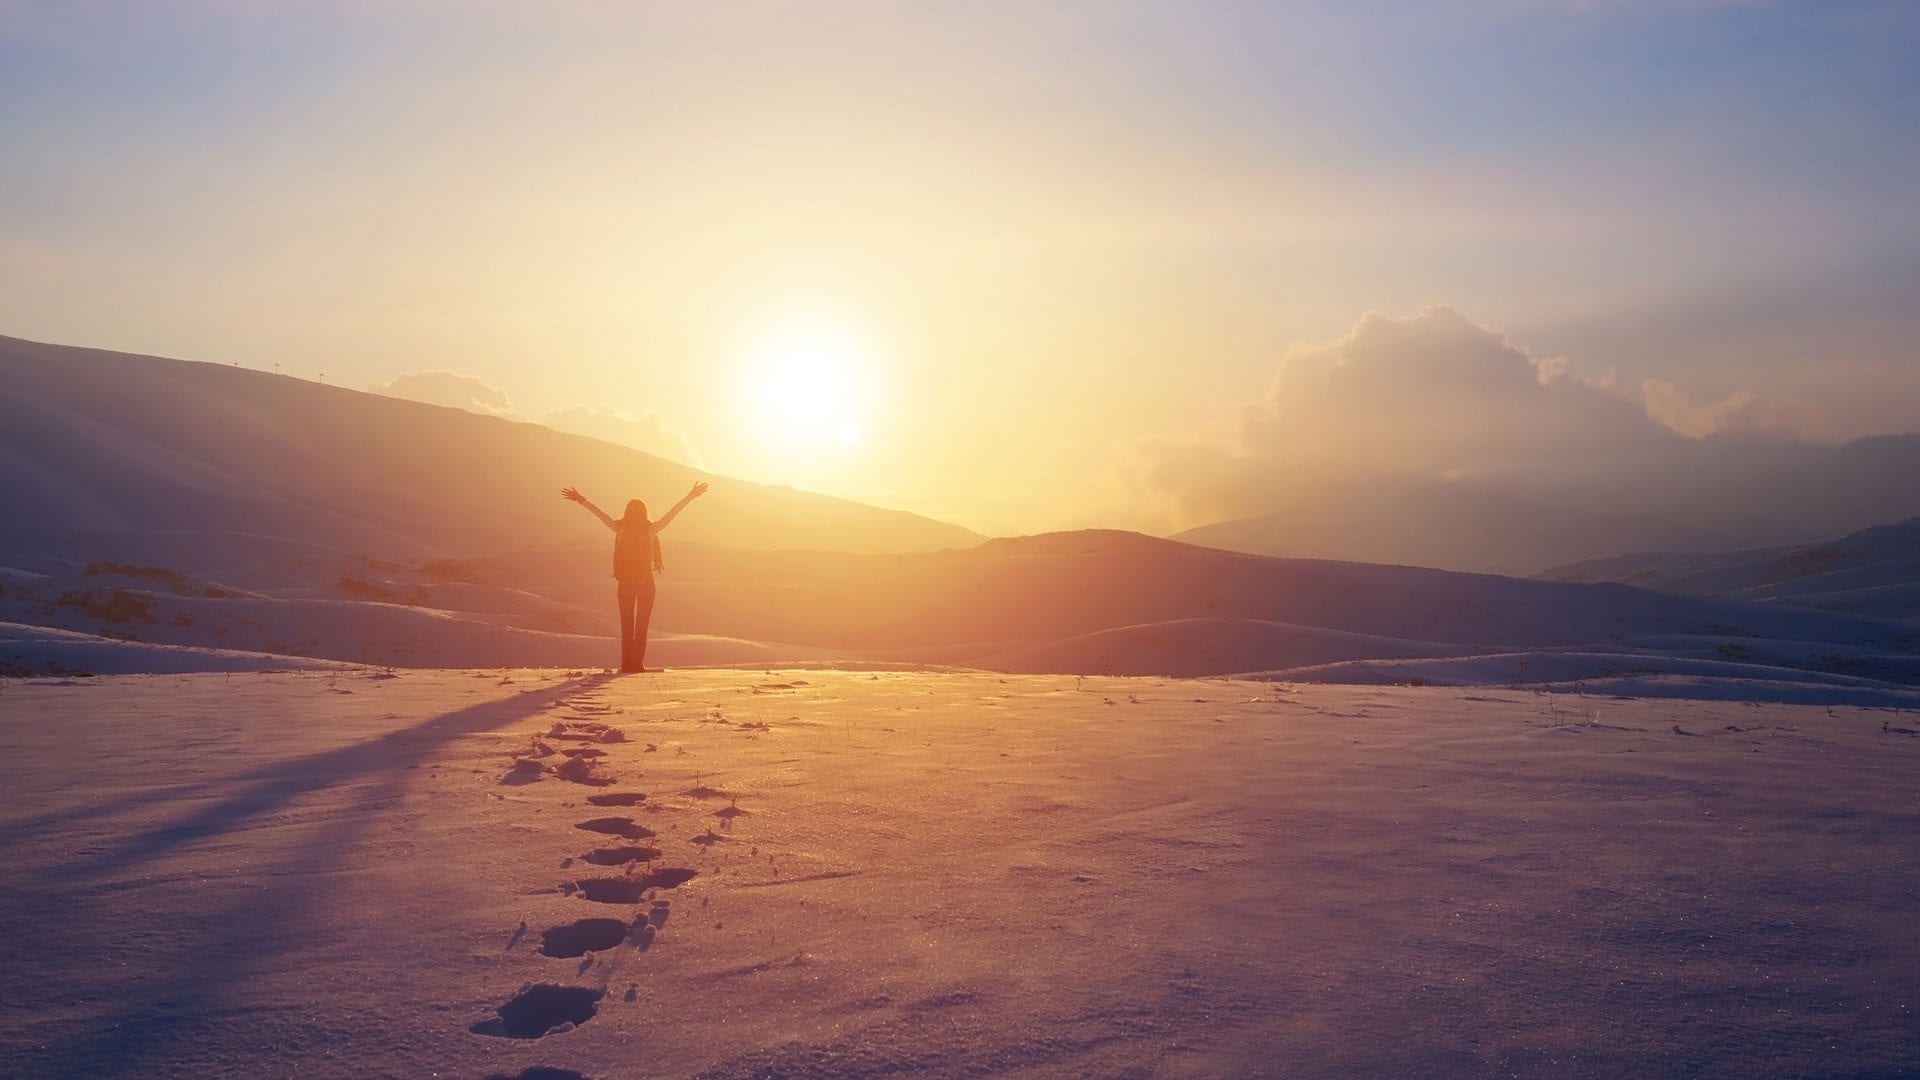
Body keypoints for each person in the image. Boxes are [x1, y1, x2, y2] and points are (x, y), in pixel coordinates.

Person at [561, 481, 709, 672]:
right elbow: (672, 514)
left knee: (626, 627)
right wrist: (691, 495)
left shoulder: (619, 528)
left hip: (624, 585)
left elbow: (599, 513)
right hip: (646, 584)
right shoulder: (650, 530)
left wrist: (580, 499)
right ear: (644, 513)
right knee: (641, 628)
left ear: (627, 512)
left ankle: (625, 664)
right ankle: (636, 664)